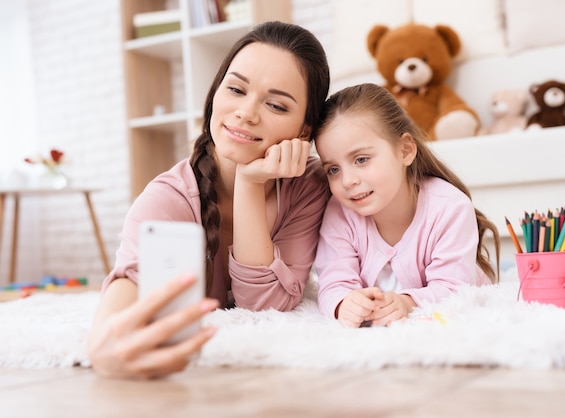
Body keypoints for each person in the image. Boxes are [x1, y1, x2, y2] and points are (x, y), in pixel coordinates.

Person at [87, 21, 330, 379]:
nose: (246, 112)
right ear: (215, 92)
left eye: (277, 106)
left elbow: (266, 307)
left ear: (304, 131)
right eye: (235, 89)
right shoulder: (166, 198)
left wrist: (249, 183)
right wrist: (101, 345)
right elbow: (130, 282)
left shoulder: (307, 186)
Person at [313, 83, 500, 328]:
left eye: (361, 159)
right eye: (333, 169)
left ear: (405, 150)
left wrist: (407, 302)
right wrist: (344, 302)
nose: (347, 181)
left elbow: (455, 289)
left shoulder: (449, 207)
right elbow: (332, 281)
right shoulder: (340, 212)